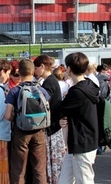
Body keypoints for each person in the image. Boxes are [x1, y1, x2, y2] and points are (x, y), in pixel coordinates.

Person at [5, 59, 50, 184]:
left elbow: (7, 115)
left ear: (19, 72)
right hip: (39, 129)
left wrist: (17, 117)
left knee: (18, 168)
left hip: (21, 131)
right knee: (39, 168)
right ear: (32, 71)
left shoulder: (15, 91)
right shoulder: (41, 90)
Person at [57, 52, 99, 184]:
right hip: (82, 140)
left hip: (81, 141)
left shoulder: (77, 91)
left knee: (84, 180)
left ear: (69, 69)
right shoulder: (89, 84)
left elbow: (60, 109)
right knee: (65, 180)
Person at [34, 55, 64, 184]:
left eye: (36, 67)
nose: (34, 71)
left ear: (42, 66)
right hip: (55, 125)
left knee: (52, 160)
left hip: (52, 126)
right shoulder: (51, 80)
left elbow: (44, 104)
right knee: (54, 160)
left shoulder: (49, 82)